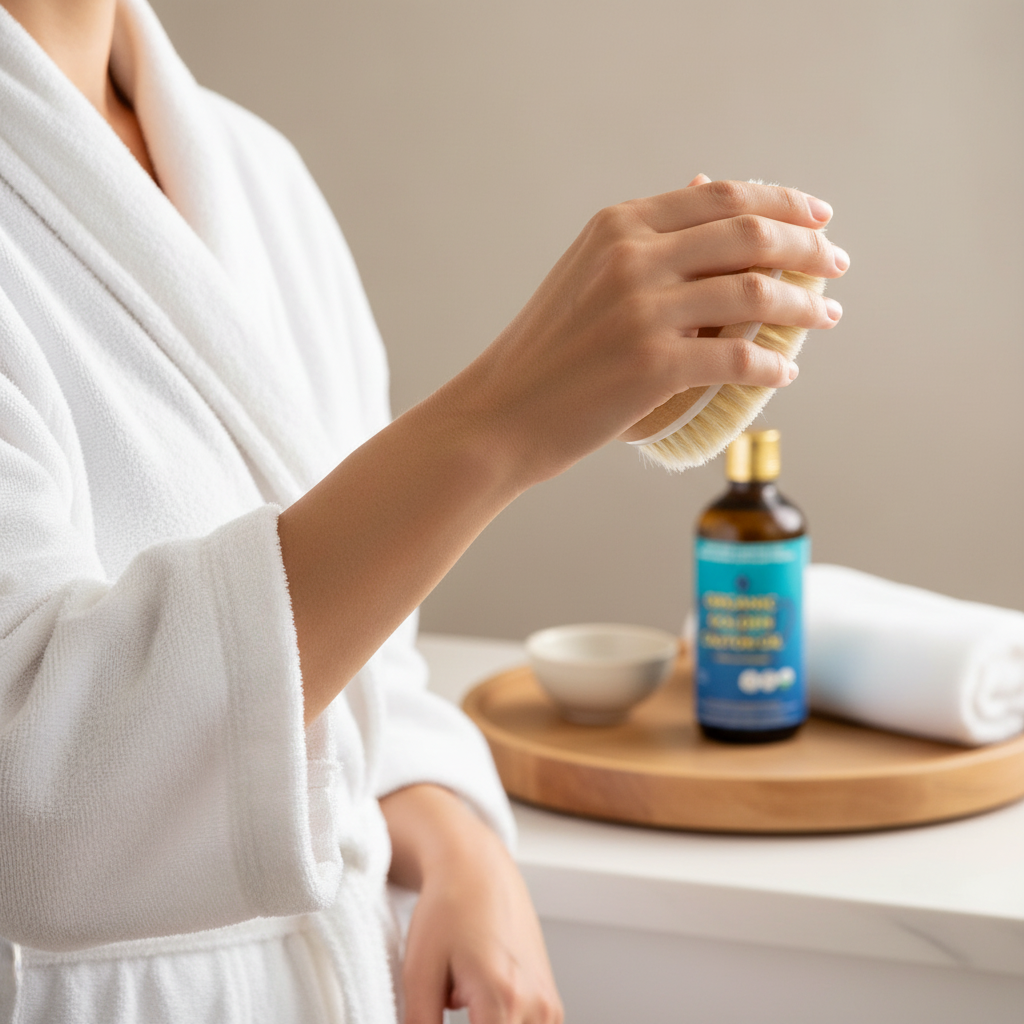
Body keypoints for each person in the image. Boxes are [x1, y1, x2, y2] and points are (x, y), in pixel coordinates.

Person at [0, 0, 848, 1021]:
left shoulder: (251, 171)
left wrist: (448, 829)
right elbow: (39, 790)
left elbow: (366, 659)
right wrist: (503, 418)